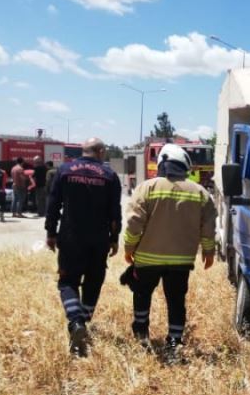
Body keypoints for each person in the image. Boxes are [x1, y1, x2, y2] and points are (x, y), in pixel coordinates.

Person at [123, 144, 216, 361]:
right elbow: (208, 228)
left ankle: (141, 334)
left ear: (162, 163)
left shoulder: (146, 188)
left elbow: (134, 223)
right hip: (181, 261)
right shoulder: (200, 193)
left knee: (142, 294)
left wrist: (129, 248)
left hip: (147, 259)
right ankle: (174, 341)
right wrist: (209, 252)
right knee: (176, 300)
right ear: (185, 166)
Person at [45, 138, 121, 357]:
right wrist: (114, 238)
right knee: (94, 280)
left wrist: (51, 232)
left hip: (70, 237)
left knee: (68, 281)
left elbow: (53, 204)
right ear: (100, 151)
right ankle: (83, 322)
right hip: (98, 239)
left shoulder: (64, 171)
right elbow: (114, 212)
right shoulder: (109, 175)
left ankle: (76, 322)